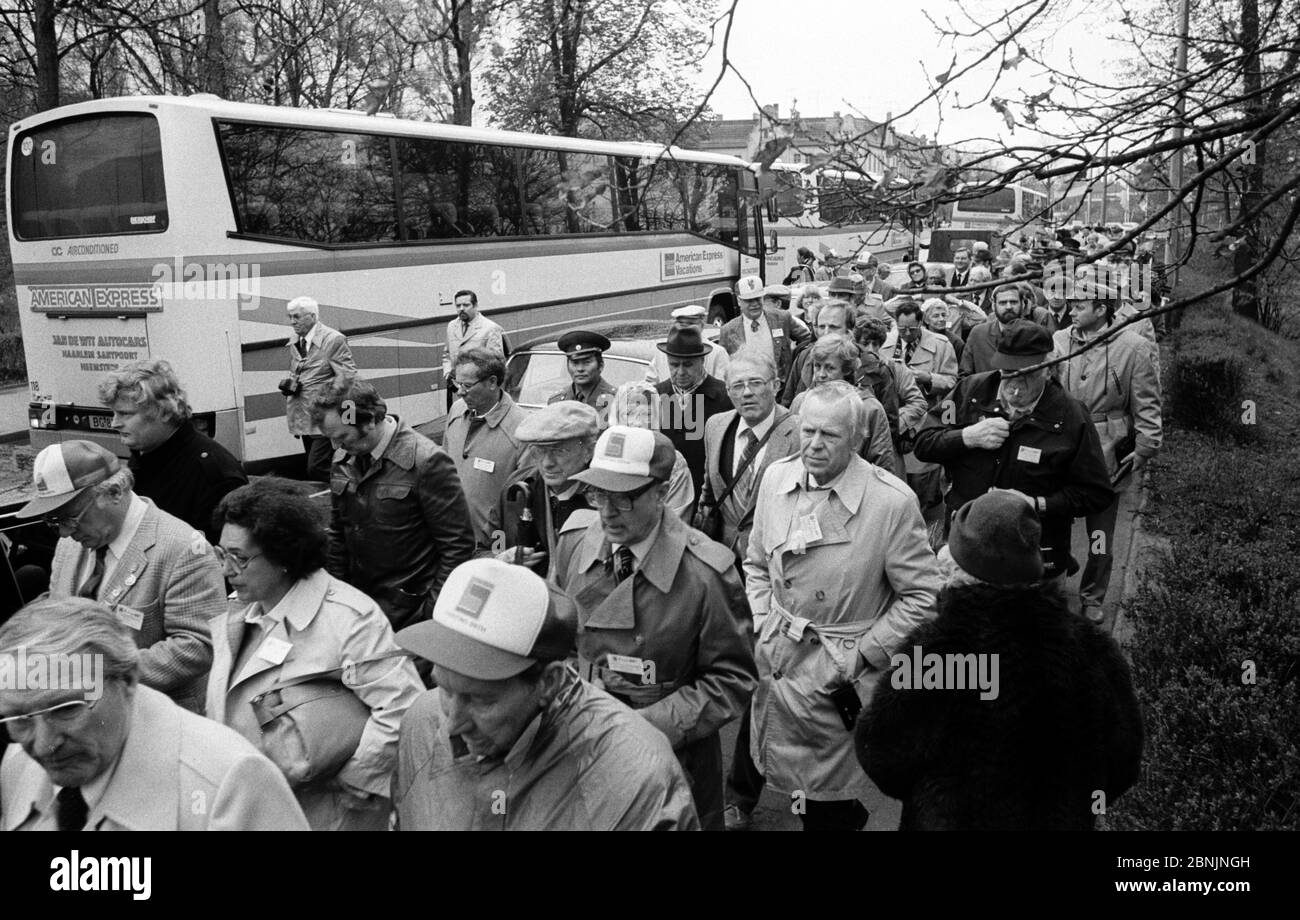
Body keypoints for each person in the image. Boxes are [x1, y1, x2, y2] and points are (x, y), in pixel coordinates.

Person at [855, 491, 1144, 829]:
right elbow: (1122, 760)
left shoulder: (933, 654)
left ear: (958, 569)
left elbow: (881, 753)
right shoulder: (1089, 650)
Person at [741, 381, 941, 831]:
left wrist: (864, 653)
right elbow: (755, 563)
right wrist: (761, 621)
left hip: (838, 677)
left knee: (829, 800)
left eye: (828, 435)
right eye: (807, 431)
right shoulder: (776, 479)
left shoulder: (890, 502)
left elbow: (924, 597)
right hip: (780, 661)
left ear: (856, 440)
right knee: (791, 786)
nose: (814, 445)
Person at [392, 558, 700, 830]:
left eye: (481, 700)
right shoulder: (420, 722)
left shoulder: (639, 780)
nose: (451, 725)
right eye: (444, 689)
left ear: (549, 682)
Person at [550, 427, 757, 830]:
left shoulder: (706, 573)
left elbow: (734, 679)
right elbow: (559, 640)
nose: (607, 512)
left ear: (661, 493)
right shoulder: (576, 541)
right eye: (598, 494)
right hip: (582, 740)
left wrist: (646, 725)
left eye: (624, 498)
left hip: (670, 754)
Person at [204, 479, 424, 830]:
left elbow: (403, 708)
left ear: (284, 555)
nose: (226, 570)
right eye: (221, 554)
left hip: (326, 815)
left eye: (239, 558)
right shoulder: (243, 610)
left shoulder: (349, 619)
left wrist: (354, 781)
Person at [0, 597, 309, 831]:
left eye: (66, 709)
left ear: (129, 679)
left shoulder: (230, 782)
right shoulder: (16, 765)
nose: (42, 745)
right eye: (20, 719)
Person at [15, 441, 219, 713]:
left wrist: (95, 677)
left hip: (155, 719)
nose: (64, 533)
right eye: (54, 521)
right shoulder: (71, 544)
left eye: (70, 518)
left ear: (115, 492)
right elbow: (58, 610)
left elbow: (198, 647)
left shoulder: (182, 549)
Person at [913, 319, 1114, 579]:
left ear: (1050, 369)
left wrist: (1037, 503)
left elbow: (1095, 493)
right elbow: (924, 442)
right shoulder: (970, 392)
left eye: (1027, 374)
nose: (1014, 386)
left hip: (1033, 557)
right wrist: (966, 436)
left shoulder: (1072, 417)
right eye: (1007, 372)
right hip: (966, 547)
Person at [314, 377, 476, 630]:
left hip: (411, 616)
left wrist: (430, 612)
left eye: (342, 437)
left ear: (368, 421)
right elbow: (338, 534)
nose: (335, 446)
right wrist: (337, 597)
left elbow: (458, 547)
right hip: (359, 610)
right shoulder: (342, 459)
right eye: (331, 438)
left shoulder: (427, 462)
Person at [1051, 287, 1163, 624]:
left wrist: (1146, 446)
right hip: (1062, 443)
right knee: (1055, 520)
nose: (1071, 312)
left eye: (1079, 307)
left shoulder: (1134, 347)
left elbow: (1147, 402)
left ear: (1102, 310)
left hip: (1107, 449)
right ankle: (1054, 585)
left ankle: (1093, 595)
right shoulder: (1058, 340)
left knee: (1100, 532)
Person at [97, 359, 246, 545]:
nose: (114, 423)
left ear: (165, 412)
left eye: (126, 414)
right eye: (114, 413)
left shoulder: (213, 476)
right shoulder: (146, 453)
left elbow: (219, 559)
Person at [699, 349, 801, 568]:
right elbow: (708, 493)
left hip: (775, 564)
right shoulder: (715, 426)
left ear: (775, 385)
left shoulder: (799, 433)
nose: (746, 393)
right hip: (725, 561)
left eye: (755, 383)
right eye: (737, 386)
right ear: (727, 391)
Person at [486, 402, 599, 577]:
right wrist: (499, 558)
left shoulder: (606, 498)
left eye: (559, 451)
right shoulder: (516, 489)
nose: (547, 463)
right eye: (539, 451)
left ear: (588, 451)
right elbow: (489, 544)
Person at [443, 347, 526, 549]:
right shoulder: (456, 412)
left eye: (467, 385)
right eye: (457, 383)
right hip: (449, 541)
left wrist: (502, 552)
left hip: (492, 547)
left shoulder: (521, 429)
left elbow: (523, 503)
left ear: (492, 382)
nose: (459, 392)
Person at [790, 335, 900, 477]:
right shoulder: (801, 401)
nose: (821, 375)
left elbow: (882, 466)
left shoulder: (869, 408)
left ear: (847, 370)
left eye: (830, 368)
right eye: (817, 366)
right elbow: (791, 452)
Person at [652, 326, 733, 510]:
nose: (680, 372)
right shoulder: (655, 396)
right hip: (668, 503)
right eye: (674, 365)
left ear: (702, 361)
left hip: (710, 506)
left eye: (687, 365)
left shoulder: (726, 397)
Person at [285, 296, 357, 481]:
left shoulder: (333, 339)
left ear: (312, 316)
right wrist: (291, 383)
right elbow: (300, 370)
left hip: (325, 416)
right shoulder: (296, 340)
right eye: (290, 317)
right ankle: (337, 502)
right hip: (302, 414)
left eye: (297, 317)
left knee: (316, 468)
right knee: (318, 469)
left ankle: (354, 488)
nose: (292, 322)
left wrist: (329, 400)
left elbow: (347, 375)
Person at [607, 382, 694, 520]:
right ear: (617, 417)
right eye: (629, 413)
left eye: (647, 414)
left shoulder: (672, 461)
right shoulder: (604, 456)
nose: (638, 422)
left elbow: (676, 521)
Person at [719, 275, 811, 390]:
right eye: (748, 300)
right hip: (747, 391)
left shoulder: (782, 318)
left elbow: (807, 339)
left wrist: (798, 363)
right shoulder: (728, 330)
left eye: (758, 299)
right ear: (739, 301)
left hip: (780, 390)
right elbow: (722, 365)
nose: (754, 304)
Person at [959, 282, 1040, 376]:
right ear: (993, 306)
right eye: (1003, 303)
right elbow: (965, 375)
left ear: (1022, 304)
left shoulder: (1035, 334)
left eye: (1013, 302)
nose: (1008, 307)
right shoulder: (978, 334)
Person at [443, 289, 505, 411]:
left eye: (466, 305)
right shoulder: (451, 326)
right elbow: (446, 354)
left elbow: (497, 363)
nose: (461, 309)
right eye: (458, 305)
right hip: (457, 389)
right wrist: (447, 373)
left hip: (478, 391)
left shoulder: (490, 328)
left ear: (475, 305)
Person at [646, 305, 730, 384]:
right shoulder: (662, 351)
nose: (686, 328)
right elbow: (651, 383)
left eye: (691, 324)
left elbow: (723, 386)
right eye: (682, 324)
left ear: (702, 326)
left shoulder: (717, 352)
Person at [547, 329, 616, 413]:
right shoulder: (557, 401)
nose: (580, 369)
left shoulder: (616, 401)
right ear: (567, 366)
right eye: (575, 363)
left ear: (600, 365)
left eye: (587, 362)